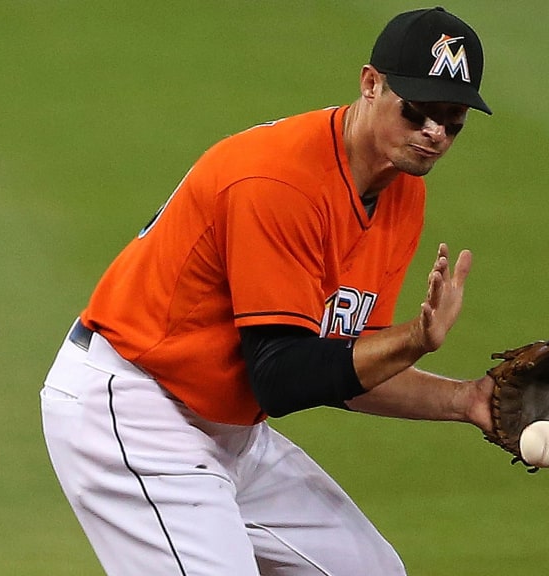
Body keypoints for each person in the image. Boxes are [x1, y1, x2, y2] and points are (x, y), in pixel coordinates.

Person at [41, 7, 496, 575]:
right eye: (418, 111)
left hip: (230, 429)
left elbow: (344, 367)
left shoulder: (402, 194)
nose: (434, 134)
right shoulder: (278, 182)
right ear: (371, 84)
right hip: (136, 409)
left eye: (452, 120)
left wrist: (469, 400)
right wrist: (413, 341)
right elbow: (281, 377)